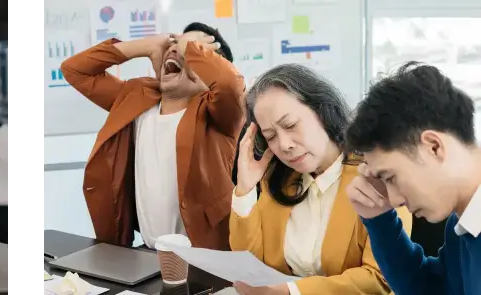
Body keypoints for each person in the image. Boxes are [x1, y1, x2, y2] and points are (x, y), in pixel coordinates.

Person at [230, 64, 412, 295]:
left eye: (290, 125)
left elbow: (379, 278)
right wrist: (245, 190)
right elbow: (250, 269)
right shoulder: (276, 178)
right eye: (271, 136)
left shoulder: (377, 174)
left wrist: (291, 291)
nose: (284, 145)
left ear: (323, 112)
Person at [60, 22, 245, 249]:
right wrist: (142, 46)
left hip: (206, 256)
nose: (177, 49)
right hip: (149, 251)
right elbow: (75, 70)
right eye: (173, 44)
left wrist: (189, 48)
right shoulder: (136, 96)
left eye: (193, 49)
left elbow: (229, 84)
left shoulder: (219, 113)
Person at [345, 62, 481, 295]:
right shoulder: (463, 223)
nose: (395, 200)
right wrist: (379, 219)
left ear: (434, 147)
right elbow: (431, 289)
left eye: (391, 177)